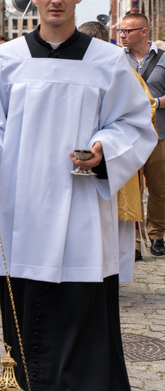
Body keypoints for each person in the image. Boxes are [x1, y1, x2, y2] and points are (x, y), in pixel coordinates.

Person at [0, 0, 156, 388]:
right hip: (22, 209)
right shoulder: (7, 59)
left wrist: (106, 148)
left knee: (83, 320)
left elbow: (135, 125)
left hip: (82, 209)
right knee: (27, 321)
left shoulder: (106, 60)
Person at [80, 20, 155, 274]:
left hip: (110, 153)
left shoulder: (119, 66)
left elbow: (143, 106)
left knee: (113, 218)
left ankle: (114, 265)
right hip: (79, 157)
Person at [118, 11, 165, 257]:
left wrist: (151, 102)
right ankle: (134, 242)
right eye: (121, 31)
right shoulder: (116, 60)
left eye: (127, 31)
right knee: (130, 189)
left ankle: (156, 234)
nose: (122, 35)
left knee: (159, 188)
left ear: (143, 32)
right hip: (128, 135)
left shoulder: (164, 59)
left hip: (160, 134)